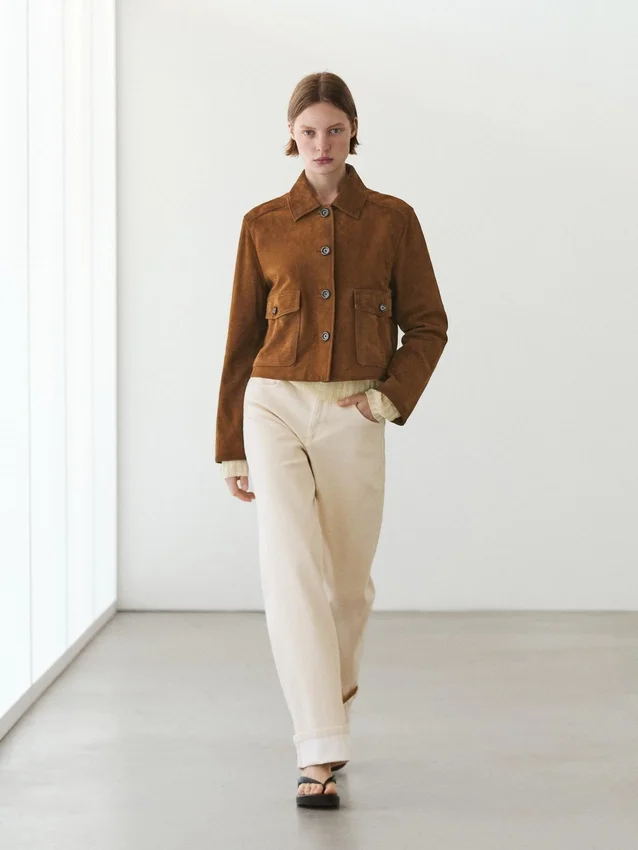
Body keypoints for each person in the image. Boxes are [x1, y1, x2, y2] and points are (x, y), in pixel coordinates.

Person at [215, 71, 449, 809]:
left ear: (353, 133)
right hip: (273, 406)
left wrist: (385, 399)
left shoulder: (393, 220)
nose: (322, 143)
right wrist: (231, 444)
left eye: (335, 130)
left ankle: (332, 692)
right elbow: (241, 339)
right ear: (293, 136)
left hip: (355, 412)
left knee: (346, 585)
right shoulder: (261, 224)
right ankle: (317, 749)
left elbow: (429, 325)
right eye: (309, 131)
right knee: (289, 570)